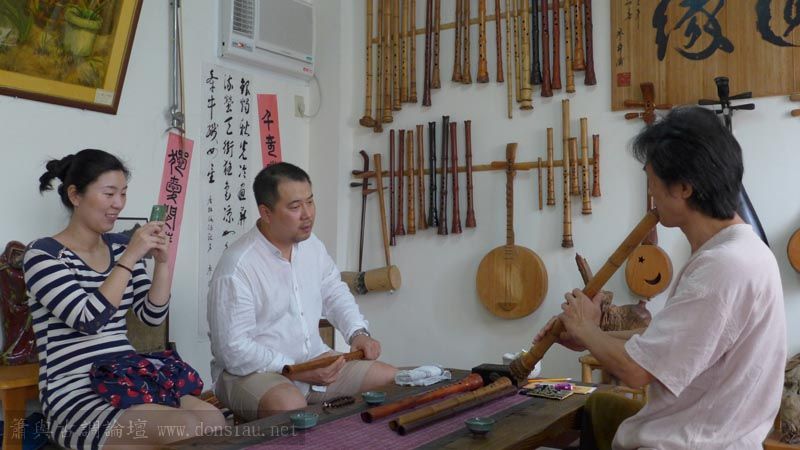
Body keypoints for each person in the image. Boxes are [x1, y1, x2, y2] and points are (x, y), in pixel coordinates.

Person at [536, 106, 786, 450]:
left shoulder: (724, 266)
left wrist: (584, 328)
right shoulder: (744, 252)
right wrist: (590, 334)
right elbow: (671, 346)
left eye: (652, 178)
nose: (651, 190)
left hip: (692, 445)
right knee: (593, 409)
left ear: (683, 187)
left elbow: (636, 371)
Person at [24, 149, 225, 449]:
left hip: (129, 379)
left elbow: (151, 316)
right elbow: (89, 320)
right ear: (75, 195)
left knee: (213, 421)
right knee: (183, 427)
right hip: (75, 393)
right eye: (109, 194)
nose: (118, 204)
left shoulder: (119, 247)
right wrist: (130, 257)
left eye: (123, 193)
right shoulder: (43, 255)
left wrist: (162, 263)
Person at [208, 162, 397, 421]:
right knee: (291, 407)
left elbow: (334, 291)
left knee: (389, 379)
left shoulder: (312, 246)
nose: (307, 214)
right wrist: (294, 369)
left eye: (310, 201)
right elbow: (233, 350)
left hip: (314, 362)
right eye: (295, 207)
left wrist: (358, 333)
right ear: (266, 213)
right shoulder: (237, 267)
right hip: (252, 372)